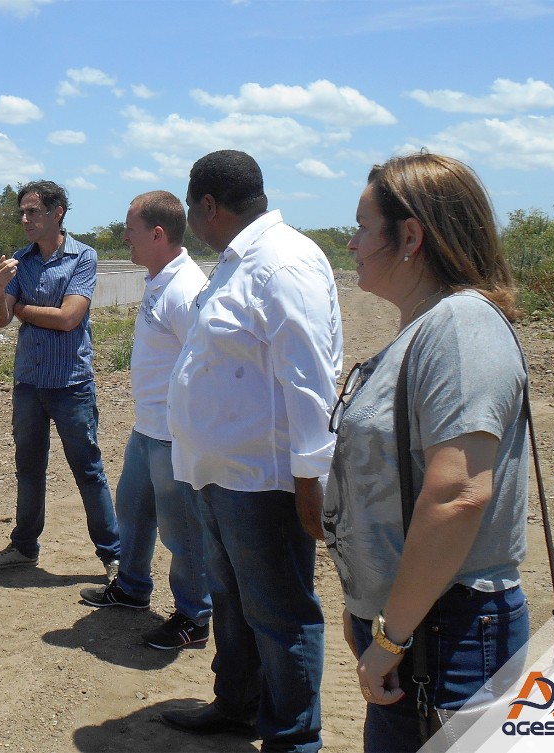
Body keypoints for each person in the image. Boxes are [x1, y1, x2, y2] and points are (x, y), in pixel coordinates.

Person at [322, 152, 530, 751]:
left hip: (445, 634)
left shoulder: (462, 326)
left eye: (363, 227)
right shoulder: (427, 327)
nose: (353, 242)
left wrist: (391, 635)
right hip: (418, 628)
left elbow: (459, 492)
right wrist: (370, 605)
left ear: (410, 235)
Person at [162, 150, 341, 752]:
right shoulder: (237, 263)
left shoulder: (281, 263)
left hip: (262, 483)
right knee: (233, 606)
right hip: (220, 476)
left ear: (208, 205)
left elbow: (312, 377)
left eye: (191, 209)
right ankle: (237, 705)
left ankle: (293, 739)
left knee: (281, 614)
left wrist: (312, 477)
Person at [78, 191, 212, 651]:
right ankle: (133, 588)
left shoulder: (185, 289)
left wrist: (187, 430)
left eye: (130, 230)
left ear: (158, 234)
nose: (124, 238)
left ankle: (195, 618)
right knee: (133, 509)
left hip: (174, 435)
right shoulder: (160, 279)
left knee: (183, 532)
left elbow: (204, 365)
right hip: (148, 427)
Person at [0, 180, 121, 579]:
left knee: (87, 469)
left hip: (71, 383)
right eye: (22, 212)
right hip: (29, 382)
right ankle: (24, 546)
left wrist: (20, 305)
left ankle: (113, 555)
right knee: (28, 467)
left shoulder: (83, 258)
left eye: (33, 212)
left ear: (57, 212)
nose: (25, 219)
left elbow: (69, 318)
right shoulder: (20, 262)